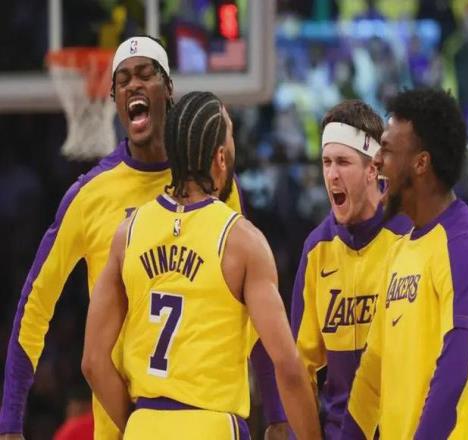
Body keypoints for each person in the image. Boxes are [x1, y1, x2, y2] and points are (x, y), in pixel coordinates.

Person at [0, 36, 279, 440]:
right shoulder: (89, 195)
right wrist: (10, 424)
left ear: (168, 89)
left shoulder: (216, 183)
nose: (134, 84)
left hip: (201, 416)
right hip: (127, 426)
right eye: (123, 80)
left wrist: (276, 413)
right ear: (113, 98)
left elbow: (253, 307)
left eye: (146, 74)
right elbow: (34, 307)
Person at [81, 91, 322, 439]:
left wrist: (137, 424)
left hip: (144, 424)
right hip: (211, 425)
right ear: (221, 158)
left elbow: (93, 361)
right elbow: (286, 364)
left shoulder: (127, 233)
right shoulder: (241, 240)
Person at [342, 88, 468, 439]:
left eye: (386, 149)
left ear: (421, 163)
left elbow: (455, 370)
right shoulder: (400, 250)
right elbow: (371, 376)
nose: (376, 161)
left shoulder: (465, 245)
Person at [271, 100, 411, 439]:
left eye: (343, 162)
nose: (331, 174)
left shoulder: (410, 236)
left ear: (373, 168)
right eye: (326, 162)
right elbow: (300, 368)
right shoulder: (317, 249)